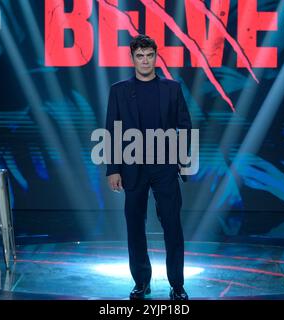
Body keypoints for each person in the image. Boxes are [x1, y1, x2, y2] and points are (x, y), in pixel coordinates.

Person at [105, 34, 192, 300]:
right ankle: (141, 281)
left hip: (165, 166)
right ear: (132, 59)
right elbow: (112, 130)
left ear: (156, 57)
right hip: (132, 166)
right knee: (134, 225)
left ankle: (177, 285)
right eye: (140, 56)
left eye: (149, 55)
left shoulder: (172, 88)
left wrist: (182, 160)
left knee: (172, 225)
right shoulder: (119, 90)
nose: (145, 60)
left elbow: (184, 126)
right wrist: (113, 168)